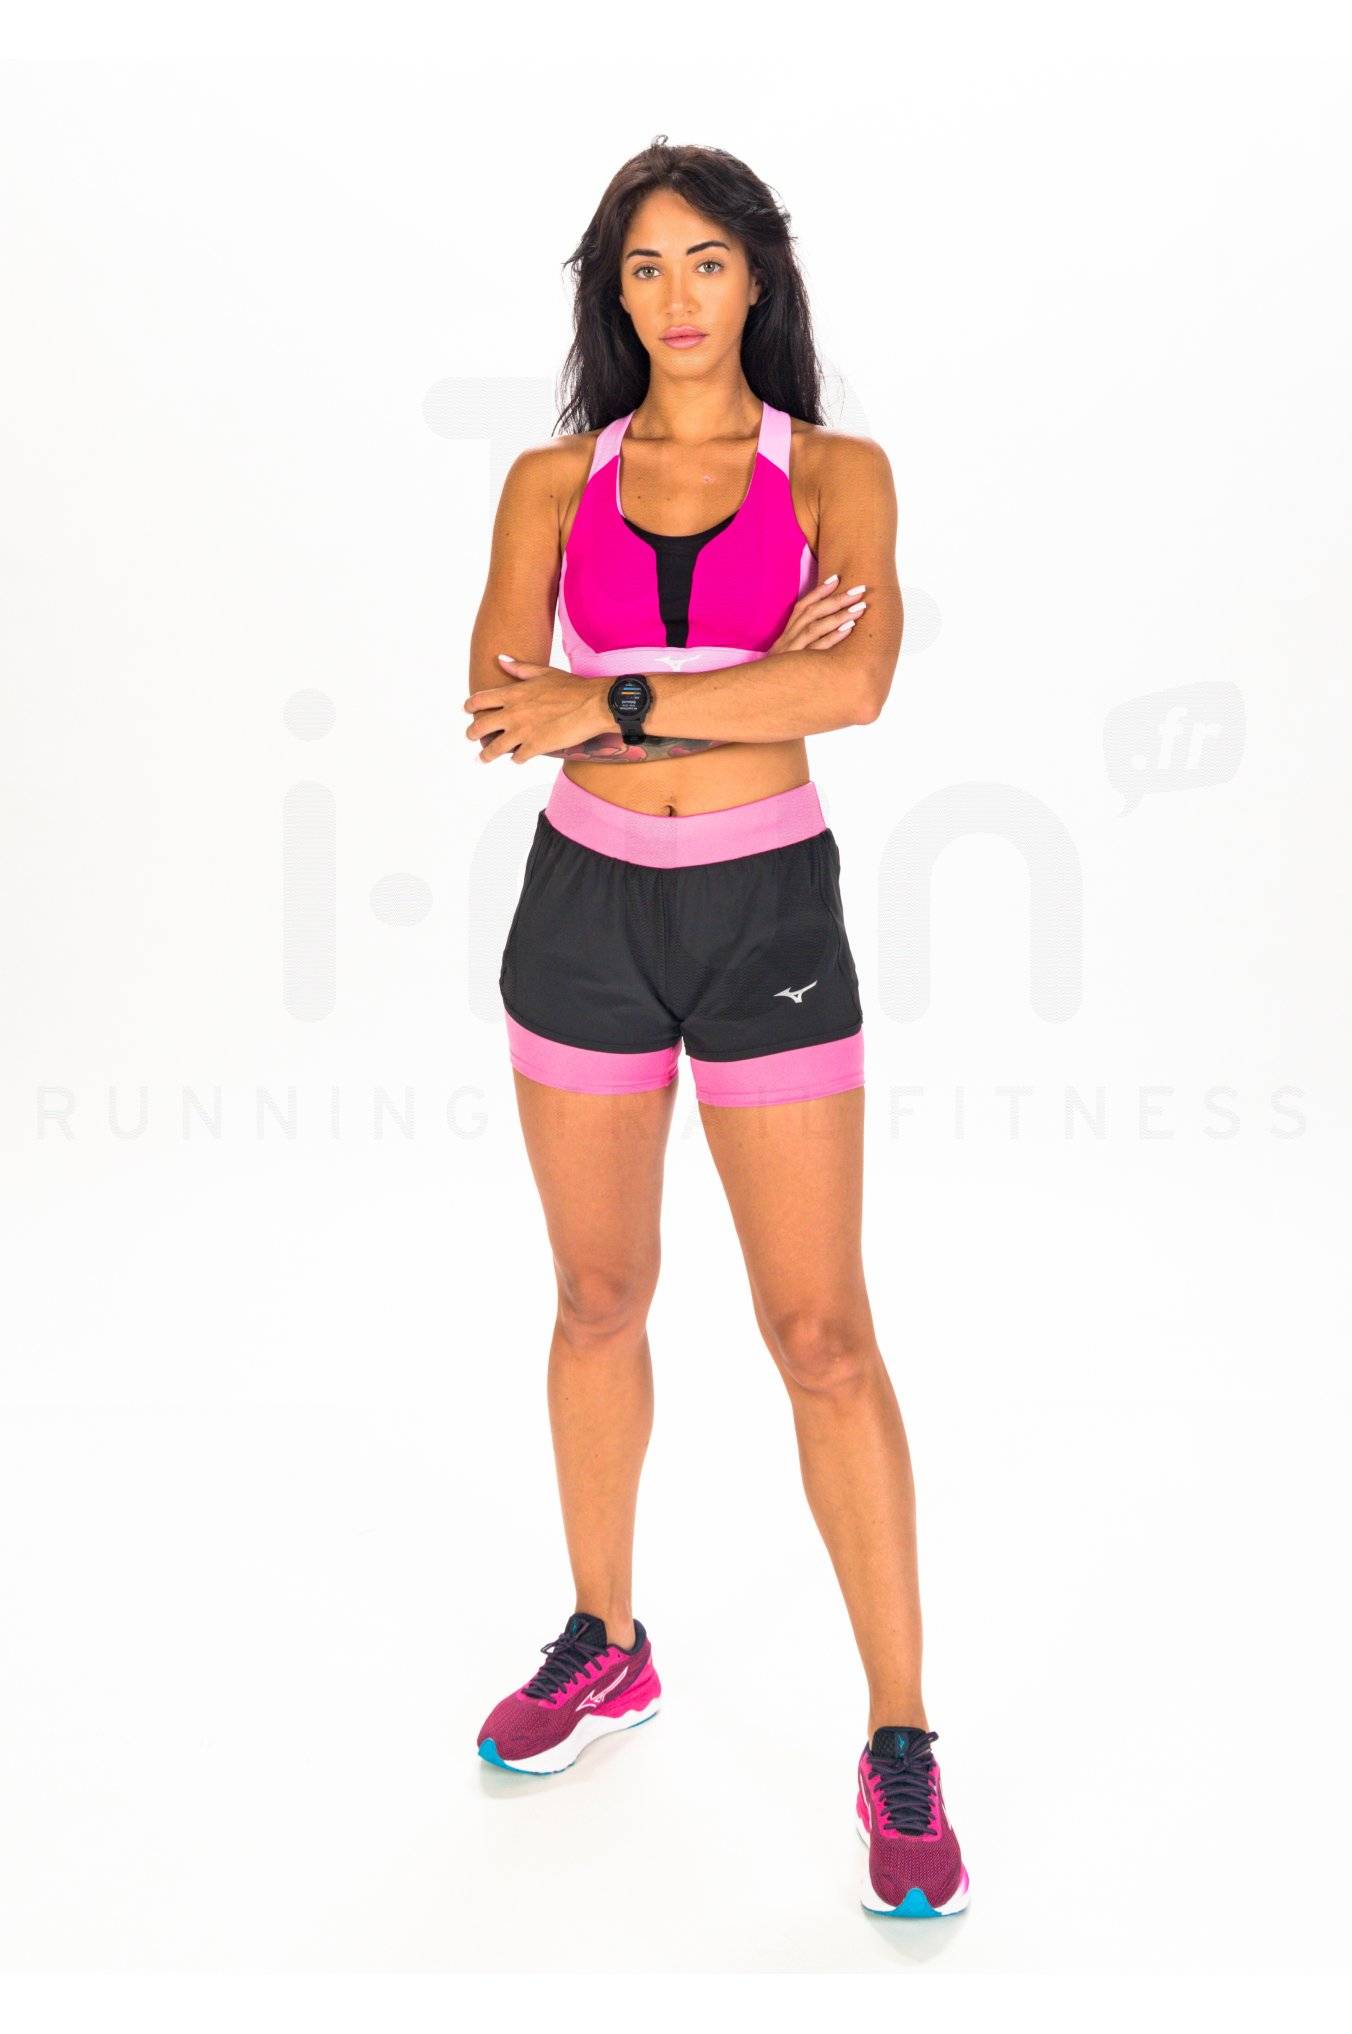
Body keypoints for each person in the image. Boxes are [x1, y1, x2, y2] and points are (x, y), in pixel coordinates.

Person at [463, 137, 969, 1918]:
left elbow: (857, 684)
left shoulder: (836, 473)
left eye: (705, 261)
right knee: (599, 1296)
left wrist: (606, 696)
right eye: (642, 266)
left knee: (821, 1330)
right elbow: (500, 710)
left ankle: (900, 1733)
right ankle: (608, 1638)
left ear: (758, 276)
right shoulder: (550, 482)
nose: (674, 296)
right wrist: (738, 686)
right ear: (613, 293)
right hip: (583, 915)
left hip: (766, 918)